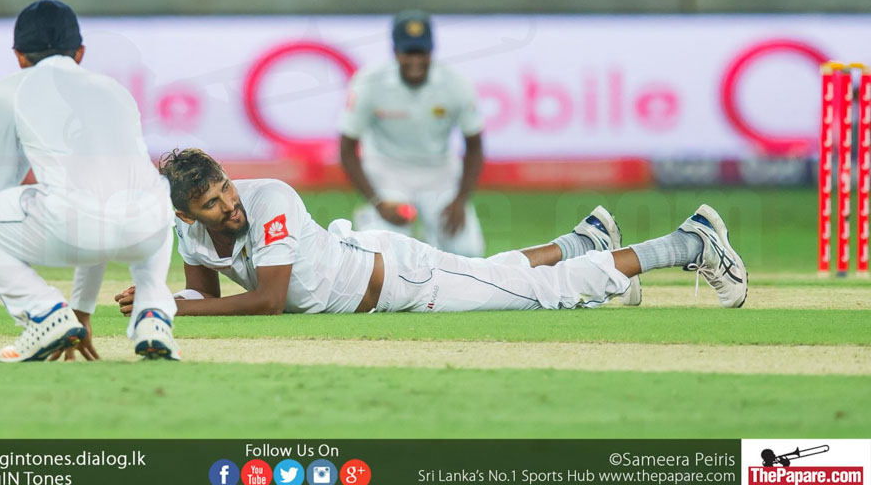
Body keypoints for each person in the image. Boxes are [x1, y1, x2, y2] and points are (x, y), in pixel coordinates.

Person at [114, 149, 747, 318]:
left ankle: (689, 243)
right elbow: (206, 299)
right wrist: (164, 298)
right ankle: (585, 242)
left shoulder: (269, 198)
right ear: (186, 216)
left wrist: (170, 307)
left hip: (402, 281)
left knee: (542, 293)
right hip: (379, 273)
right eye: (211, 203)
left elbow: (270, 301)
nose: (230, 205)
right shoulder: (191, 237)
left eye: (226, 187)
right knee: (500, 276)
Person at [0, 0, 180, 362]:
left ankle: (43, 313)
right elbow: (104, 199)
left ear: (19, 56)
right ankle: (153, 316)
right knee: (142, 196)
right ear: (79, 53)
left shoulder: (9, 88)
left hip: (74, 226)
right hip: (150, 227)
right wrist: (81, 308)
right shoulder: (114, 90)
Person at [339, 10, 488, 260]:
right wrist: (377, 202)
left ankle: (428, 235)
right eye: (408, 53)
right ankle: (371, 218)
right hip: (387, 171)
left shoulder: (456, 84)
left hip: (439, 173)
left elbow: (474, 145)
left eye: (422, 52)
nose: (415, 61)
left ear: (432, 51)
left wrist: (461, 200)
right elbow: (346, 148)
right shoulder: (368, 82)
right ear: (395, 51)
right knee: (383, 254)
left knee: (467, 252)